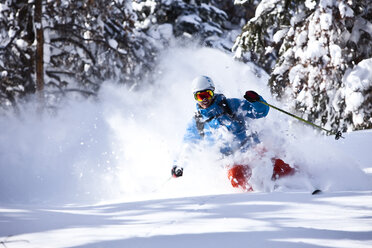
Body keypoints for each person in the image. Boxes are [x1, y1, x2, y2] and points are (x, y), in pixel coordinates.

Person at [171, 75, 294, 191]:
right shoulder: (198, 122)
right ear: (195, 98)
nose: (204, 100)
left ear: (213, 92)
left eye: (207, 94)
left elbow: (261, 112)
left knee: (276, 165)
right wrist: (179, 165)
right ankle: (256, 197)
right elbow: (188, 144)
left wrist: (256, 101)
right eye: (199, 96)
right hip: (229, 160)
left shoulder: (230, 105)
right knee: (236, 177)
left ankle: (298, 182)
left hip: (251, 148)